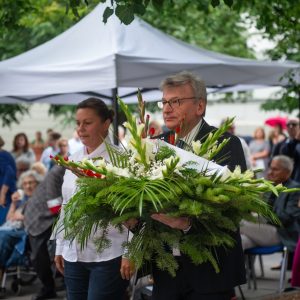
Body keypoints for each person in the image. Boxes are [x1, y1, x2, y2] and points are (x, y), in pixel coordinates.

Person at [151, 71, 247, 300]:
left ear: (199, 106)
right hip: (167, 270)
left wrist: (186, 224)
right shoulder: (155, 146)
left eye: (175, 101)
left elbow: (232, 205)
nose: (166, 108)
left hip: (211, 270)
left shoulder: (226, 144)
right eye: (164, 101)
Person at [53, 98, 131, 300]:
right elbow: (66, 204)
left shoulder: (122, 159)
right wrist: (60, 246)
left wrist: (131, 253)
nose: (81, 128)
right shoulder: (74, 157)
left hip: (109, 254)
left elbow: (136, 212)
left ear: (106, 124)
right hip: (73, 254)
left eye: (87, 123)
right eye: (78, 123)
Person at [240, 155, 300, 257]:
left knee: (238, 223)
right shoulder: (269, 187)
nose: (270, 172)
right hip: (262, 230)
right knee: (240, 241)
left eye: (275, 169)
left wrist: (262, 211)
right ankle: (244, 273)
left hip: (281, 234)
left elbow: (286, 219)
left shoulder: (295, 189)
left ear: (287, 172)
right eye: (270, 168)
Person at [23, 165, 65, 300]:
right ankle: (48, 288)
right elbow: (54, 205)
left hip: (51, 217)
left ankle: (66, 285)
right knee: (38, 257)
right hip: (38, 220)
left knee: (62, 250)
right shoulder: (56, 173)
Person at [0, 170, 43, 287]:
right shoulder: (22, 199)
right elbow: (9, 219)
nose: (28, 186)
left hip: (28, 232)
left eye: (31, 183)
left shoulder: (40, 198)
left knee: (3, 236)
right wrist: (13, 204)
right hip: (12, 230)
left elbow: (41, 217)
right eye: (25, 184)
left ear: (37, 183)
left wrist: (23, 217)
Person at [273, 118, 300, 183]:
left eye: (294, 124)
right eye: (288, 125)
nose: (291, 126)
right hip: (285, 179)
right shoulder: (281, 143)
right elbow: (273, 159)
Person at [0, 136, 17, 225]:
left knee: (2, 222)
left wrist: (2, 194)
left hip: (6, 195)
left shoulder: (3, 155)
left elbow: (9, 173)